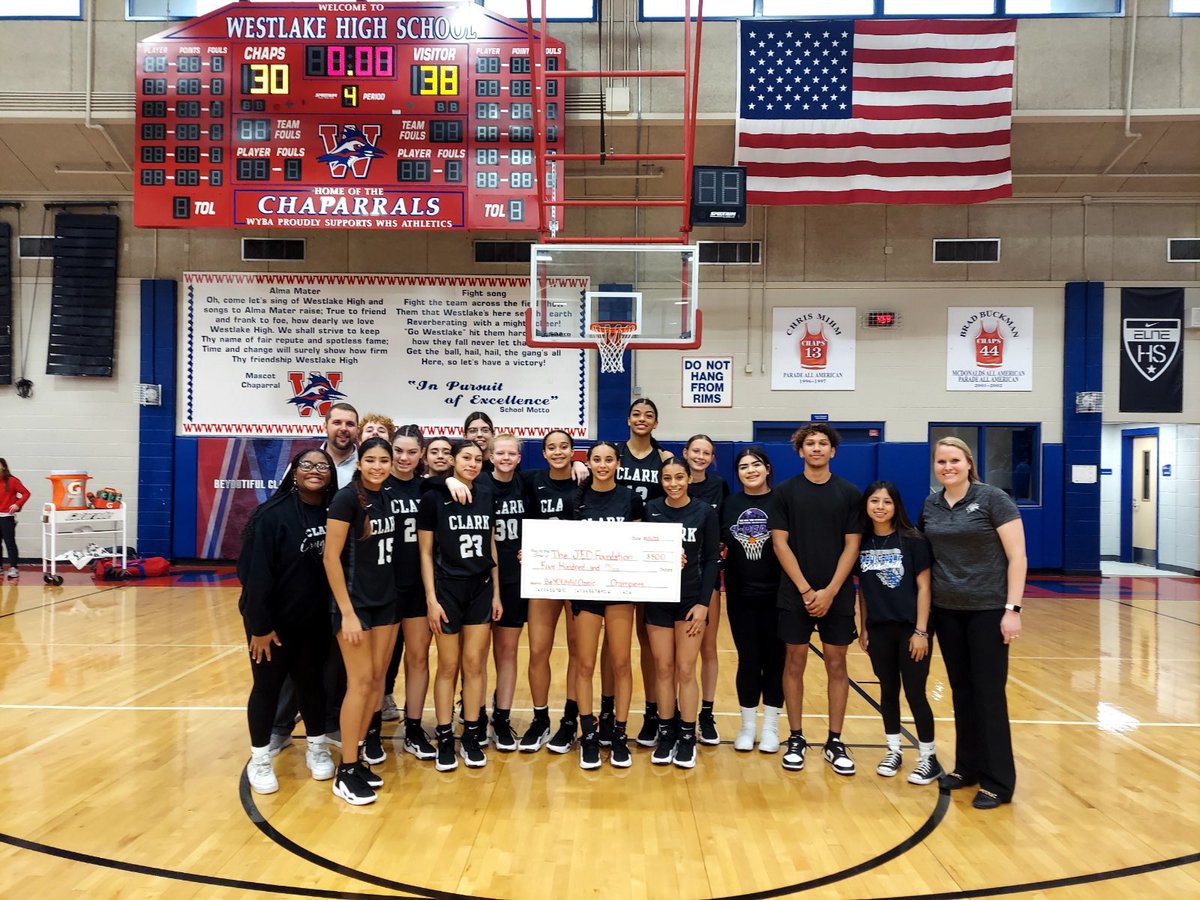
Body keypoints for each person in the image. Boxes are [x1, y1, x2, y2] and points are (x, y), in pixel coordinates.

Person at [920, 437, 1026, 810]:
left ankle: (999, 781)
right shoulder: (931, 505)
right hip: (948, 611)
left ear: (968, 463)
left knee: (989, 695)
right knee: (961, 691)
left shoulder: (993, 499)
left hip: (988, 610)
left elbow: (1017, 557)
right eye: (941, 461)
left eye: (954, 460)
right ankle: (968, 767)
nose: (947, 467)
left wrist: (1012, 609)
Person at [240, 448, 338, 794]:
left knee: (312, 686)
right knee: (267, 688)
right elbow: (253, 576)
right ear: (293, 472)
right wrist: (259, 627)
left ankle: (316, 746)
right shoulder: (270, 516)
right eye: (307, 465)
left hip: (314, 623)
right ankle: (261, 757)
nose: (315, 471)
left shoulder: (336, 513)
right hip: (273, 627)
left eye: (322, 466)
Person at [769, 423, 862, 776]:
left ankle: (835, 740)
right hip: (796, 593)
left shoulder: (850, 493)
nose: (817, 448)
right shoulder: (785, 492)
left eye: (824, 443)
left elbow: (852, 545)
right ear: (800, 451)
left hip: (835, 595)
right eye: (810, 443)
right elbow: (780, 543)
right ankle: (795, 737)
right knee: (794, 662)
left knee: (837, 664)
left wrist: (831, 591)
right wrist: (807, 590)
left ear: (833, 451)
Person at [323, 437, 399, 806]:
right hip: (356, 606)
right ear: (360, 461)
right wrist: (348, 611)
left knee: (376, 682)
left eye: (384, 460)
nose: (378, 466)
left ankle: (361, 760)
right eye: (371, 460)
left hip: (386, 601)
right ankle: (346, 769)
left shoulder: (384, 495)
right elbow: (330, 558)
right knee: (360, 682)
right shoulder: (345, 498)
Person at [418, 439, 502, 771]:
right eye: (466, 457)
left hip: (480, 588)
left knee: (475, 665)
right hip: (447, 590)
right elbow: (425, 552)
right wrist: (431, 598)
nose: (472, 463)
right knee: (448, 666)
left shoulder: (486, 494)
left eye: (478, 459)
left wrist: (496, 593)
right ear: (453, 461)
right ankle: (444, 736)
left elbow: (491, 544)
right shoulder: (433, 498)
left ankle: (470, 734)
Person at [856, 481, 941, 785]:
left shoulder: (914, 540)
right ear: (866, 505)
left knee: (916, 693)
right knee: (888, 691)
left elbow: (924, 587)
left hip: (910, 630)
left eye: (887, 502)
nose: (880, 507)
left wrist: (921, 631)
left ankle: (928, 757)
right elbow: (863, 592)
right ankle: (893, 749)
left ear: (896, 507)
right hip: (879, 630)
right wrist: (864, 627)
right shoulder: (862, 542)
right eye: (874, 501)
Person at [571, 441, 643, 769]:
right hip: (586, 592)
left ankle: (618, 733)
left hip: (619, 591)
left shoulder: (631, 499)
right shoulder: (577, 499)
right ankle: (588, 734)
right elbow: (562, 545)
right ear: (590, 462)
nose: (602, 465)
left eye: (609, 460)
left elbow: (644, 544)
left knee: (621, 663)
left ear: (618, 463)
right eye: (596, 459)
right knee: (584, 665)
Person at [643, 457, 720, 769]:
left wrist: (703, 604)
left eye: (679, 477)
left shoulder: (704, 511)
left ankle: (688, 736)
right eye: (667, 478)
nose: (673, 484)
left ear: (690, 478)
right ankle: (667, 732)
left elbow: (713, 558)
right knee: (663, 669)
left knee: (686, 669)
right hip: (658, 600)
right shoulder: (651, 510)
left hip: (690, 601)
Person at [519, 429, 584, 754]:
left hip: (577, 578)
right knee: (538, 650)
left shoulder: (584, 482)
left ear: (573, 450)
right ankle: (540, 717)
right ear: (543, 453)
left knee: (578, 651)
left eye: (564, 447)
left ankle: (570, 720)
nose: (558, 452)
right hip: (543, 576)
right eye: (551, 448)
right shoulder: (531, 480)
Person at [615, 398, 673, 748]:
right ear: (628, 419)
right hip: (616, 556)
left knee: (649, 640)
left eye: (648, 415)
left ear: (655, 423)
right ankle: (611, 711)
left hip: (650, 555)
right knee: (617, 642)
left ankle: (654, 712)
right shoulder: (614, 455)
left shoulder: (664, 459)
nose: (642, 419)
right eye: (636, 413)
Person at [722, 446, 785, 753]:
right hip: (740, 597)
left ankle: (771, 728)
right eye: (743, 466)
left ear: (768, 468)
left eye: (756, 464)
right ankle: (747, 727)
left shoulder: (783, 501)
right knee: (748, 660)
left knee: (775, 662)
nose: (750, 470)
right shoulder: (729, 504)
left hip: (778, 596)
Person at [386, 425, 439, 760]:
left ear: (422, 454)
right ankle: (372, 730)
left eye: (411, 452)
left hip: (418, 588)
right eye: (398, 451)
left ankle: (414, 727)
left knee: (418, 658)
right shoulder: (374, 487)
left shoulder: (428, 489)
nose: (404, 458)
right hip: (383, 589)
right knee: (380, 665)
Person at [683, 434, 729, 745]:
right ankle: (672, 713)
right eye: (695, 451)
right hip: (673, 582)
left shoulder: (719, 486)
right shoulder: (671, 482)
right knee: (678, 657)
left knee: (708, 648)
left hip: (707, 579)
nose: (700, 456)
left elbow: (721, 533)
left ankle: (707, 713)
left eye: (706, 452)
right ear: (685, 453)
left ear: (711, 458)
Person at [486, 433, 529, 752]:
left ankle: (501, 716)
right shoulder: (479, 485)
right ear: (490, 456)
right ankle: (470, 715)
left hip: (515, 581)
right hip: (480, 579)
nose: (505, 458)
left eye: (511, 453)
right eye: (499, 453)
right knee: (471, 657)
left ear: (518, 457)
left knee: (507, 652)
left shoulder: (527, 486)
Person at [0, 459, 31, 579]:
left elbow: (26, 493)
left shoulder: (12, 481)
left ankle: (13, 567)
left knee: (10, 543)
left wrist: (17, 504)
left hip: (7, 517)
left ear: (3, 467)